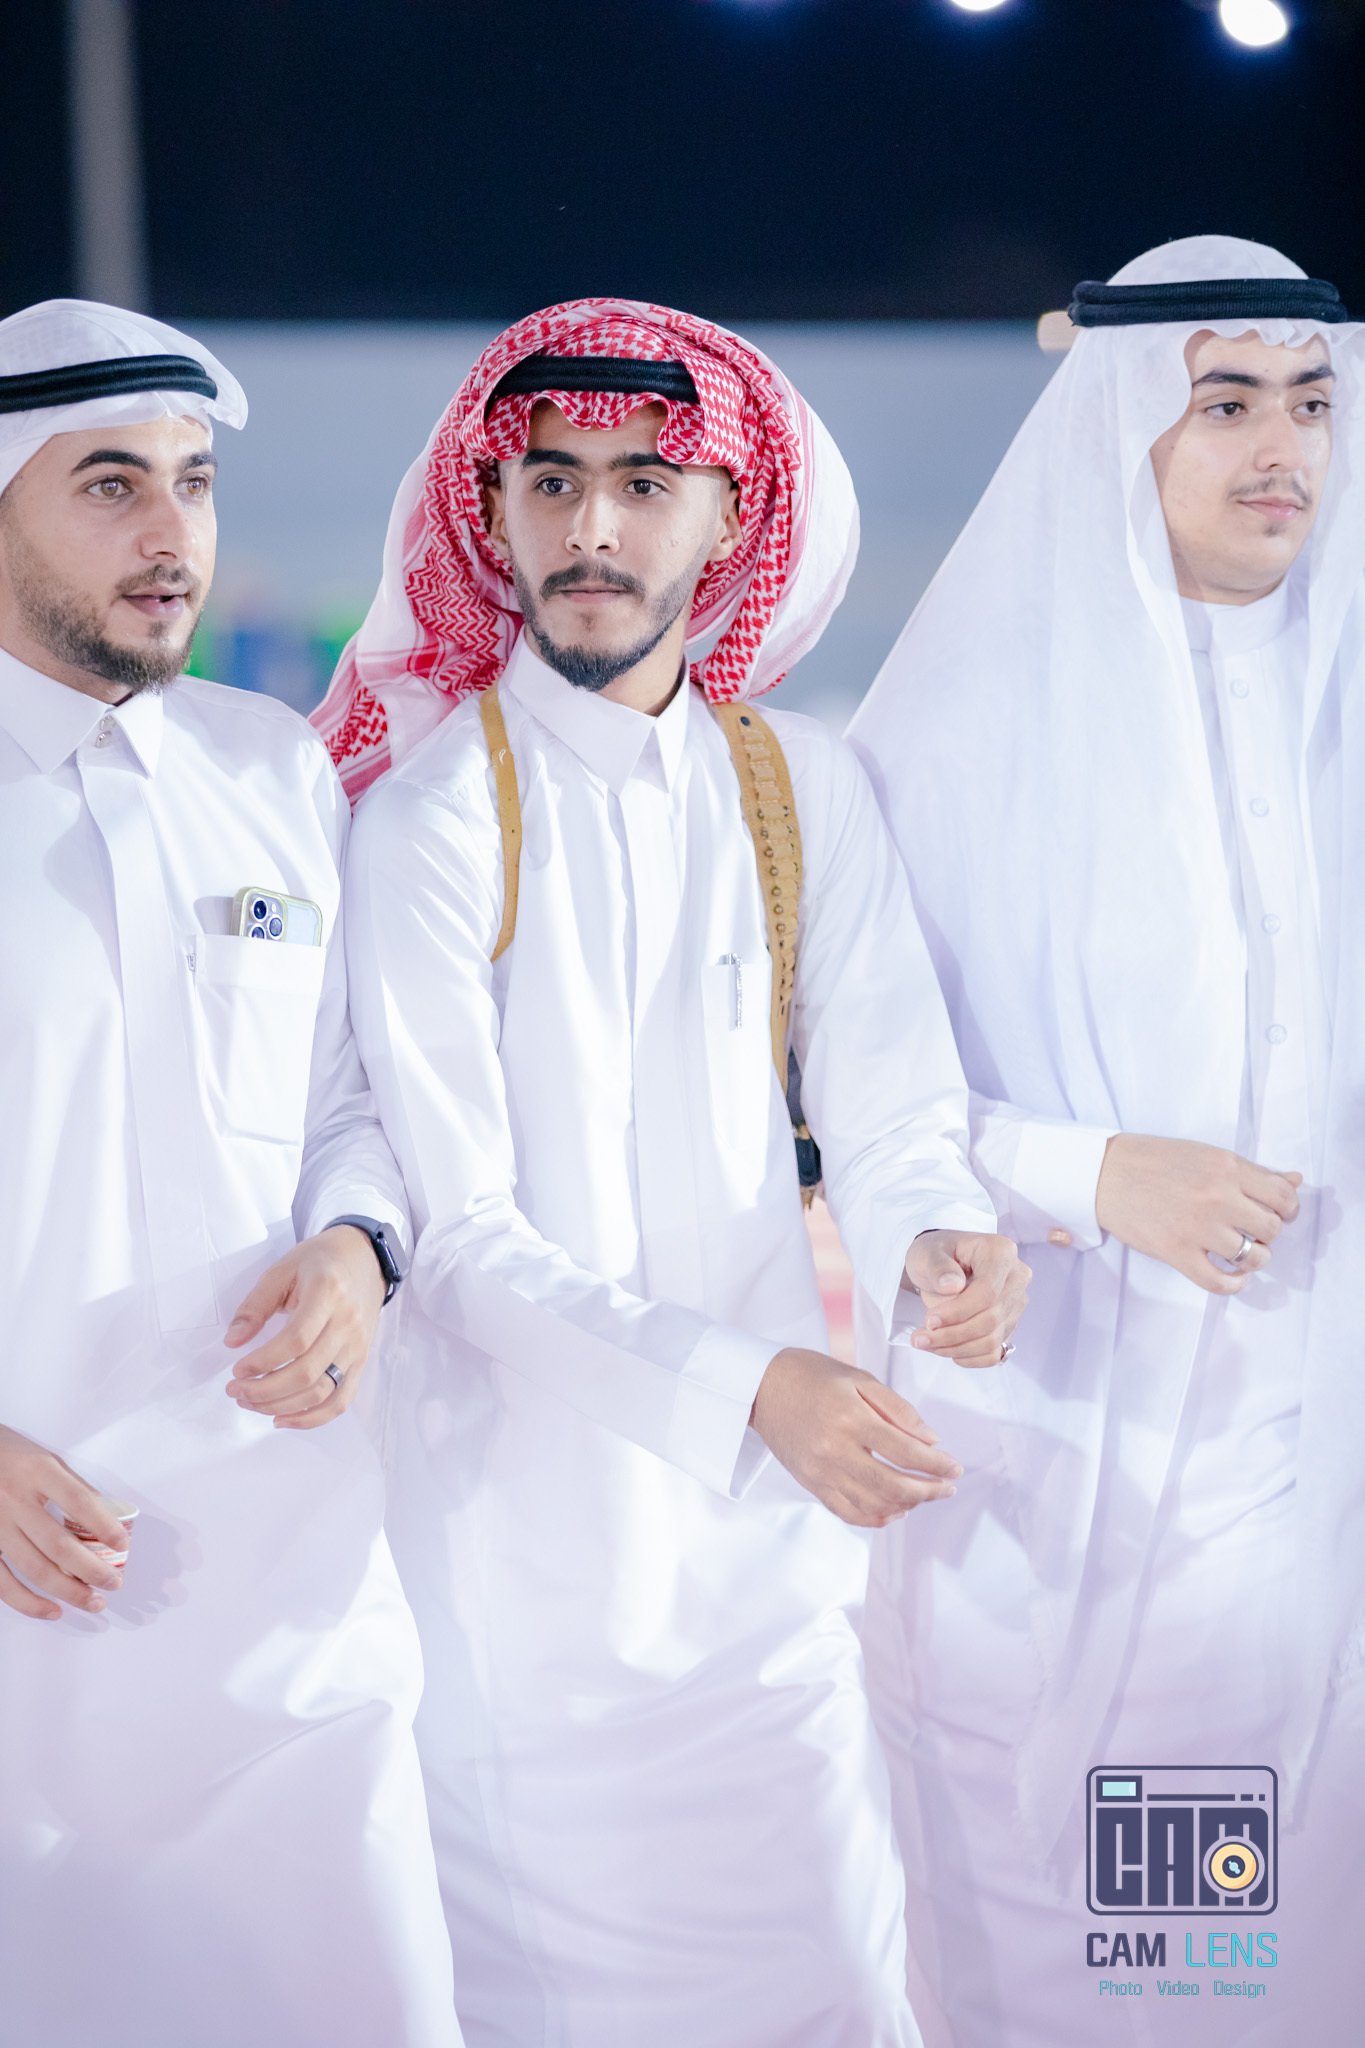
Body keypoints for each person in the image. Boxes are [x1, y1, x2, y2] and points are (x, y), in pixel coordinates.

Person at [316, 298, 1030, 2048]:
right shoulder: (430, 816)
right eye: (551, 482)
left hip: (767, 1582)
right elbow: (461, 1244)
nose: (592, 527)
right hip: (517, 1594)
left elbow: (887, 1104)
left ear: (727, 521)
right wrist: (755, 1387)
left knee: (838, 1994)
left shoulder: (796, 789)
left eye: (646, 483)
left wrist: (937, 1236)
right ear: (491, 516)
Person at [849, 236, 1365, 2046]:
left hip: (1315, 1501)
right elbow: (843, 1090)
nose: (1276, 447)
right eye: (1221, 404)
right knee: (1129, 1982)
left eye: (1308, 402)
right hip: (1073, 1490)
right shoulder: (952, 729)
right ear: (1118, 427)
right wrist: (1091, 1173)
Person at [0, 300, 461, 2048]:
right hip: (27, 1610)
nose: (170, 534)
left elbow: (351, 1096)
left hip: (296, 1604)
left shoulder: (269, 769)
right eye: (110, 485)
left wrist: (355, 1245)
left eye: (191, 483)